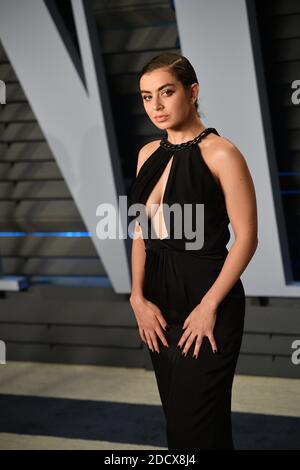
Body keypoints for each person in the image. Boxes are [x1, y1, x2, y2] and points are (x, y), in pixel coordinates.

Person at [128, 52, 258, 450]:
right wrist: (137, 296)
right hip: (157, 302)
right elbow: (140, 231)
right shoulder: (147, 155)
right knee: (188, 424)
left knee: (193, 428)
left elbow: (248, 238)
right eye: (148, 97)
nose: (157, 106)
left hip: (209, 298)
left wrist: (208, 306)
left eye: (167, 92)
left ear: (193, 91)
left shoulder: (222, 153)